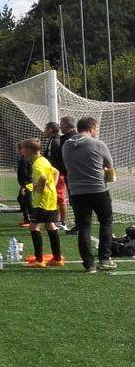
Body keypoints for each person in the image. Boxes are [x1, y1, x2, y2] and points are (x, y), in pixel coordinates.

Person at [61, 116, 117, 272]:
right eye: (97, 129)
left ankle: (89, 264)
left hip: (77, 191)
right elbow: (109, 165)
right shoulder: (98, 144)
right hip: (98, 189)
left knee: (84, 226)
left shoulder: (66, 145)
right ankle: (105, 259)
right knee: (106, 221)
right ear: (92, 128)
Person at [20, 138, 65, 268]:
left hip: (42, 201)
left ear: (29, 150)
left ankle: (39, 260)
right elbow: (56, 172)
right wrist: (53, 187)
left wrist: (37, 190)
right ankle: (57, 258)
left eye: (23, 148)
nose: (22, 151)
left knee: (33, 227)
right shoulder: (44, 160)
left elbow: (43, 178)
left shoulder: (38, 165)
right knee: (50, 225)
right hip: (51, 198)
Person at [43, 122, 68, 227]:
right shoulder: (52, 140)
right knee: (54, 196)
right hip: (52, 173)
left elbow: (59, 159)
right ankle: (56, 219)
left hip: (58, 173)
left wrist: (59, 172)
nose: (44, 131)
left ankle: (62, 222)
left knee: (60, 197)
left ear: (50, 130)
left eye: (45, 129)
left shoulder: (57, 141)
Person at [58, 116, 76, 231]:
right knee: (73, 200)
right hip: (68, 174)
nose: (60, 126)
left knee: (76, 200)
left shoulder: (71, 139)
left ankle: (80, 224)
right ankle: (78, 224)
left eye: (61, 123)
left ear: (66, 125)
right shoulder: (65, 138)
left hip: (73, 175)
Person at [16, 142, 34, 227]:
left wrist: (24, 185)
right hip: (25, 184)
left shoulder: (25, 160)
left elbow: (26, 174)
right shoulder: (23, 159)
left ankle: (31, 220)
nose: (17, 151)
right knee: (21, 199)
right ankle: (26, 218)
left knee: (27, 201)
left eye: (18, 149)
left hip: (27, 184)